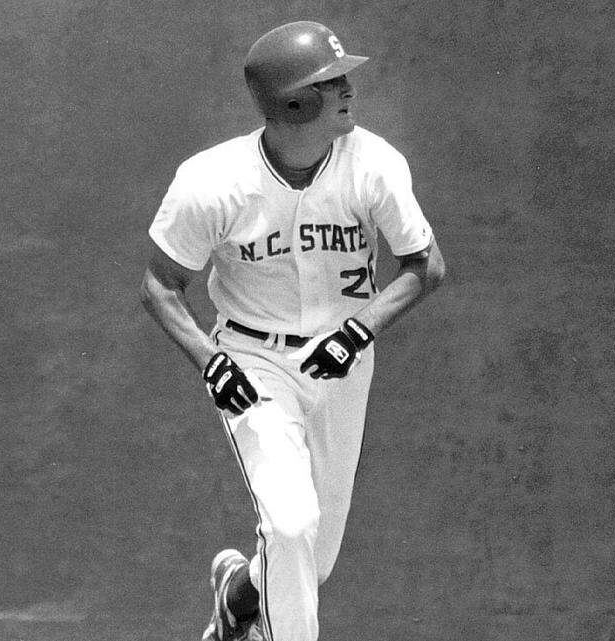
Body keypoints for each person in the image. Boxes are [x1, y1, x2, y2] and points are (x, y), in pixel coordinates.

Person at [140, 21, 446, 641]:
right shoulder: (211, 183)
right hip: (253, 362)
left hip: (341, 365)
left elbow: (426, 267)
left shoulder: (375, 166)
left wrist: (359, 331)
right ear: (295, 104)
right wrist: (210, 360)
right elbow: (160, 285)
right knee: (289, 528)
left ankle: (239, 595)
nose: (348, 89)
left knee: (312, 559)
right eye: (331, 81)